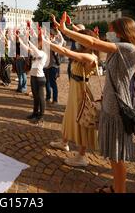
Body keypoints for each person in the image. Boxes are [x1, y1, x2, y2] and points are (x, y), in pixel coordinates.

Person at [55, 12, 135, 193]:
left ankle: (120, 190)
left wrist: (64, 30)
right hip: (110, 104)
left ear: (121, 32)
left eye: (112, 31)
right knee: (114, 156)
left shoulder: (127, 48)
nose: (109, 34)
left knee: (117, 156)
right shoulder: (121, 48)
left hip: (117, 109)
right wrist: (71, 29)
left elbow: (92, 42)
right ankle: (116, 187)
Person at [46, 28, 100, 167]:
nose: (77, 41)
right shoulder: (84, 53)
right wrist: (65, 26)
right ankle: (64, 142)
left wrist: (46, 41)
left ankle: (81, 156)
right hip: (74, 90)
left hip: (81, 92)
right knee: (69, 117)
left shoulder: (91, 57)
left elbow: (65, 52)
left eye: (80, 39)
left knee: (83, 122)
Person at [18, 31, 48, 125]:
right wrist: (21, 40)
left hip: (40, 78)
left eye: (38, 43)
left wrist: (29, 40)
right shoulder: (35, 54)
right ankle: (35, 113)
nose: (36, 44)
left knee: (41, 98)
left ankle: (41, 116)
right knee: (35, 97)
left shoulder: (43, 54)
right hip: (33, 77)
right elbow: (26, 48)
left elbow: (35, 49)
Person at [44, 29, 65, 105]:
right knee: (47, 83)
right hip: (46, 66)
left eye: (47, 35)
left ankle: (55, 100)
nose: (45, 36)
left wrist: (58, 31)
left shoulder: (54, 43)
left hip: (53, 66)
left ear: (51, 36)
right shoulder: (44, 44)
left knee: (53, 84)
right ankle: (48, 97)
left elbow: (62, 41)